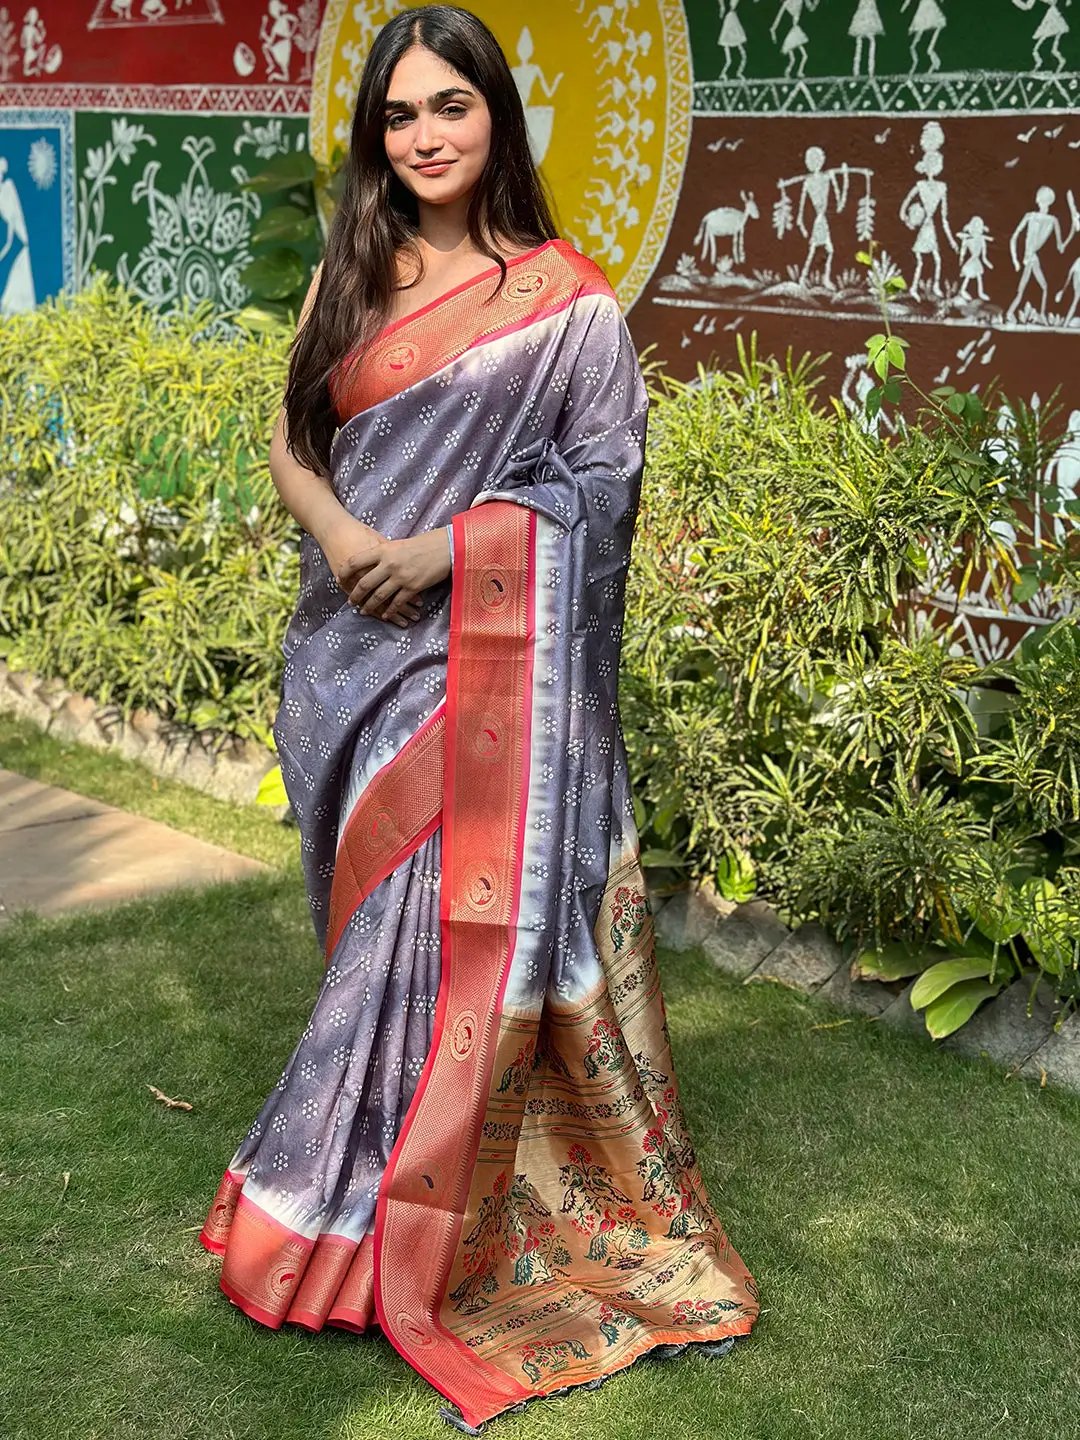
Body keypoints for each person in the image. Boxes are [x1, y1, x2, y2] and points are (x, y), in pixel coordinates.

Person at [197, 6, 760, 1432]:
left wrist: (449, 553)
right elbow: (292, 437)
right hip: (355, 655)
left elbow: (603, 479)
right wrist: (342, 542)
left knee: (430, 935)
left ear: (499, 119)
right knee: (381, 936)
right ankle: (347, 1205)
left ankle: (358, 1231)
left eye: (453, 106)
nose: (428, 135)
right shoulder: (358, 266)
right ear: (377, 135)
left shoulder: (564, 300)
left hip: (484, 663)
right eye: (401, 114)